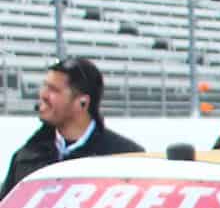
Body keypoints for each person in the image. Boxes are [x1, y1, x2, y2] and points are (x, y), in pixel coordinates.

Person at [2, 57, 143, 196]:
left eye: (54, 90)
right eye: (45, 86)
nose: (43, 94)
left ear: (82, 103)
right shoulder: (27, 157)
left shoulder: (125, 159)